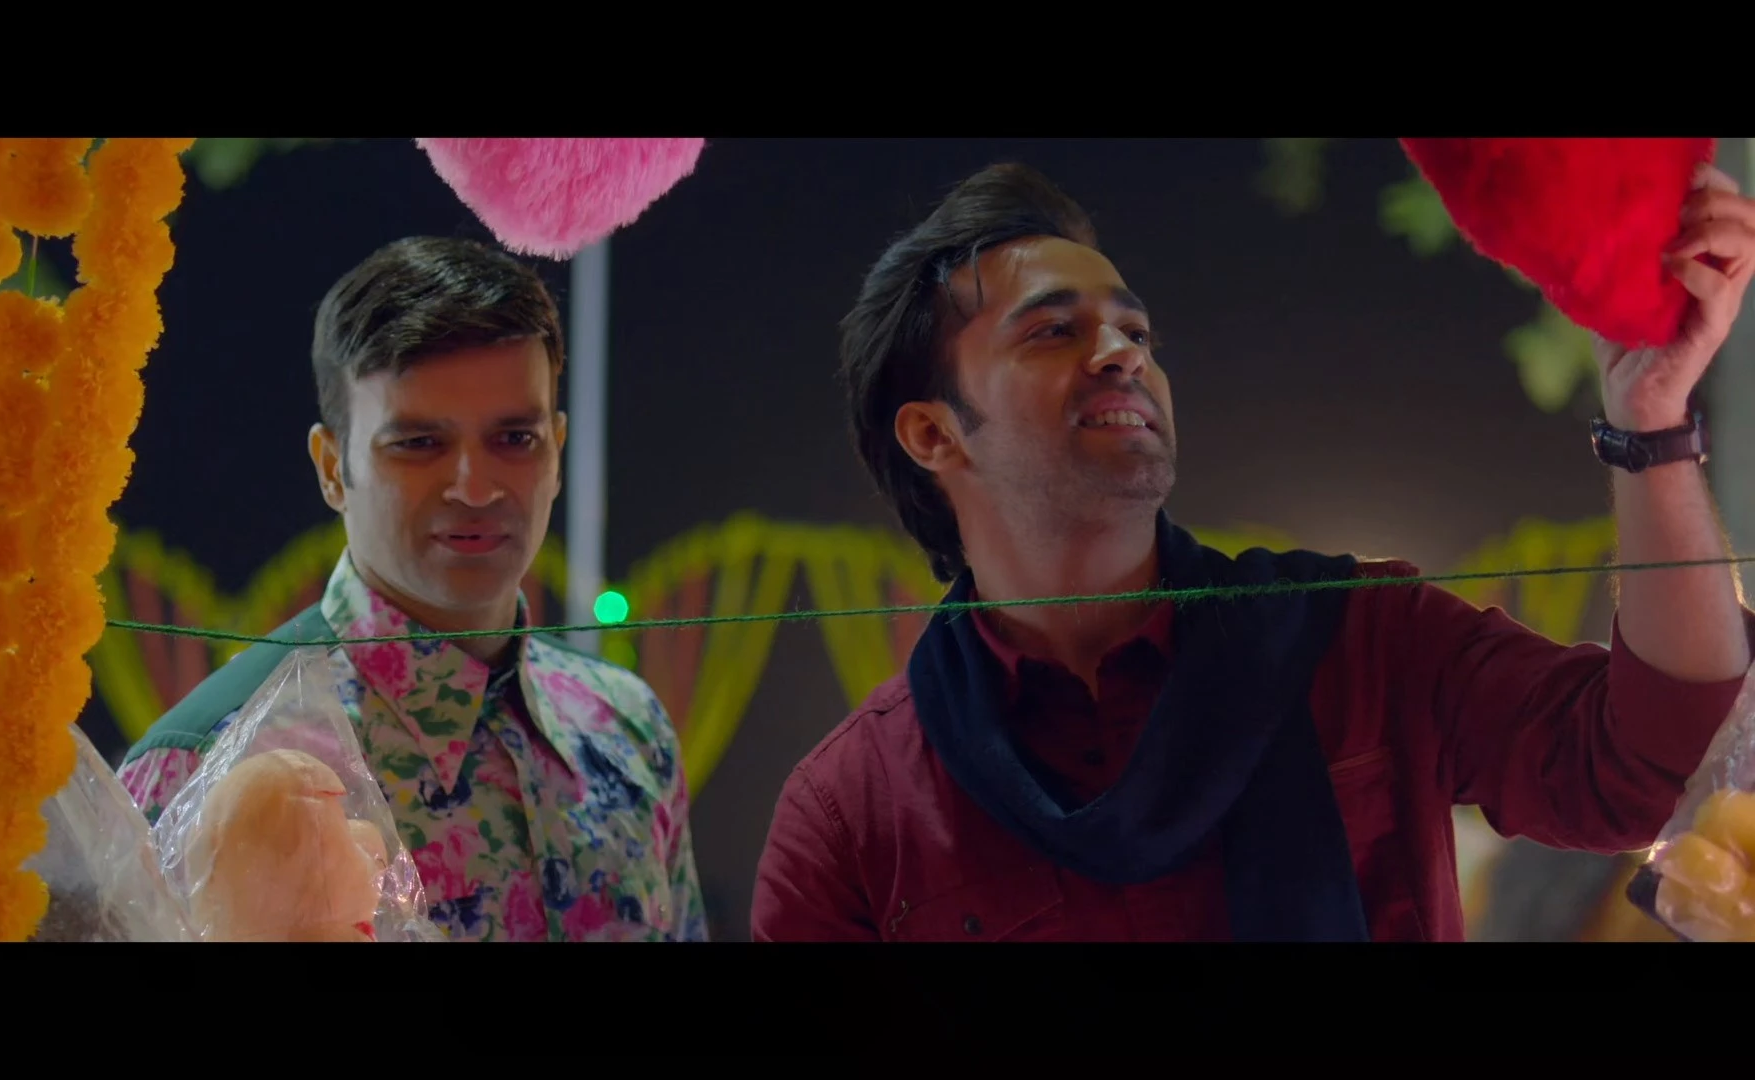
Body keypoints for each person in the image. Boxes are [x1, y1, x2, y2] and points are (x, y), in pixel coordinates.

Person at [751, 161, 1755, 942]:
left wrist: (1651, 420)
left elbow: (1653, 767)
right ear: (934, 434)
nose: (1122, 353)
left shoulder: (1360, 640)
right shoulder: (853, 812)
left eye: (1135, 330)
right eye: (1052, 330)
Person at [119, 237, 706, 942]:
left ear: (557, 450)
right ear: (332, 468)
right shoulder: (203, 769)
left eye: (515, 439)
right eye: (419, 444)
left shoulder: (627, 732)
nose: (476, 488)